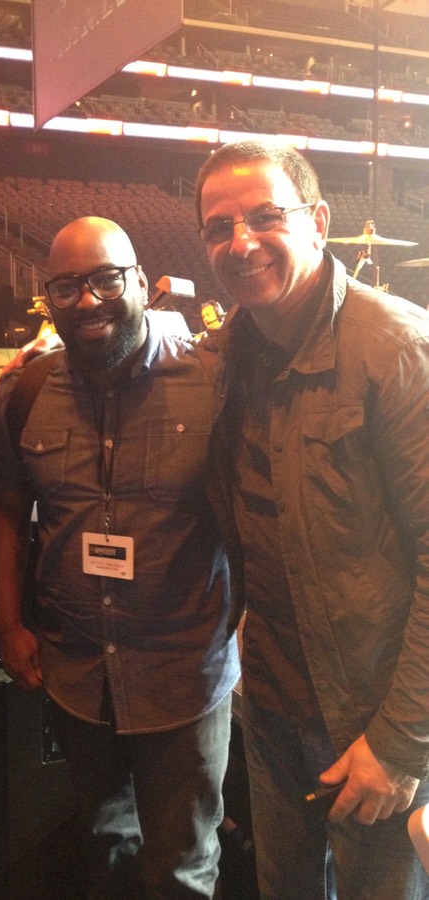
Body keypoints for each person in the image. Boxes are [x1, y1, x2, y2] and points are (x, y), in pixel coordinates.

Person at [194, 138, 429, 899]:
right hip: (269, 706)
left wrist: (398, 744)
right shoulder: (229, 352)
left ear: (318, 220)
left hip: (371, 722)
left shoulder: (395, 348)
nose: (240, 242)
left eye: (265, 216)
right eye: (218, 226)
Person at [0, 216, 239, 899]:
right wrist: (9, 626)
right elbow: (6, 508)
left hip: (184, 672)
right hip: (76, 668)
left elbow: (250, 516)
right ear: (46, 298)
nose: (88, 301)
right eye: (66, 287)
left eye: (105, 280)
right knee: (104, 841)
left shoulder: (212, 379)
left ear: (138, 281)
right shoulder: (26, 391)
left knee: (182, 864)